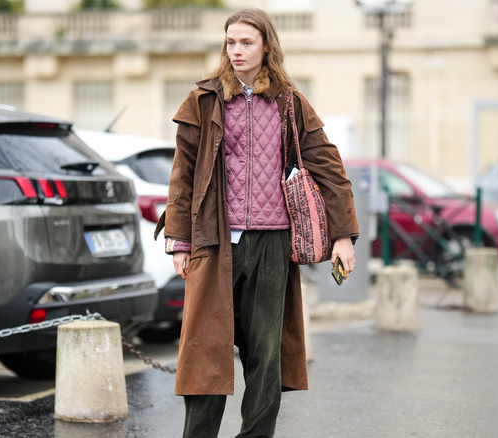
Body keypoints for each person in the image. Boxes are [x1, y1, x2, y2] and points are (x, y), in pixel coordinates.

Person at [154, 8, 359, 437]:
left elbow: (329, 167)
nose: (237, 51)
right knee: (206, 352)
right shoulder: (203, 99)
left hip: (272, 244)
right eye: (231, 42)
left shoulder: (290, 102)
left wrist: (343, 236)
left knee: (265, 358)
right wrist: (179, 239)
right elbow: (183, 174)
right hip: (213, 241)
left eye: (247, 42)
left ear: (267, 45)